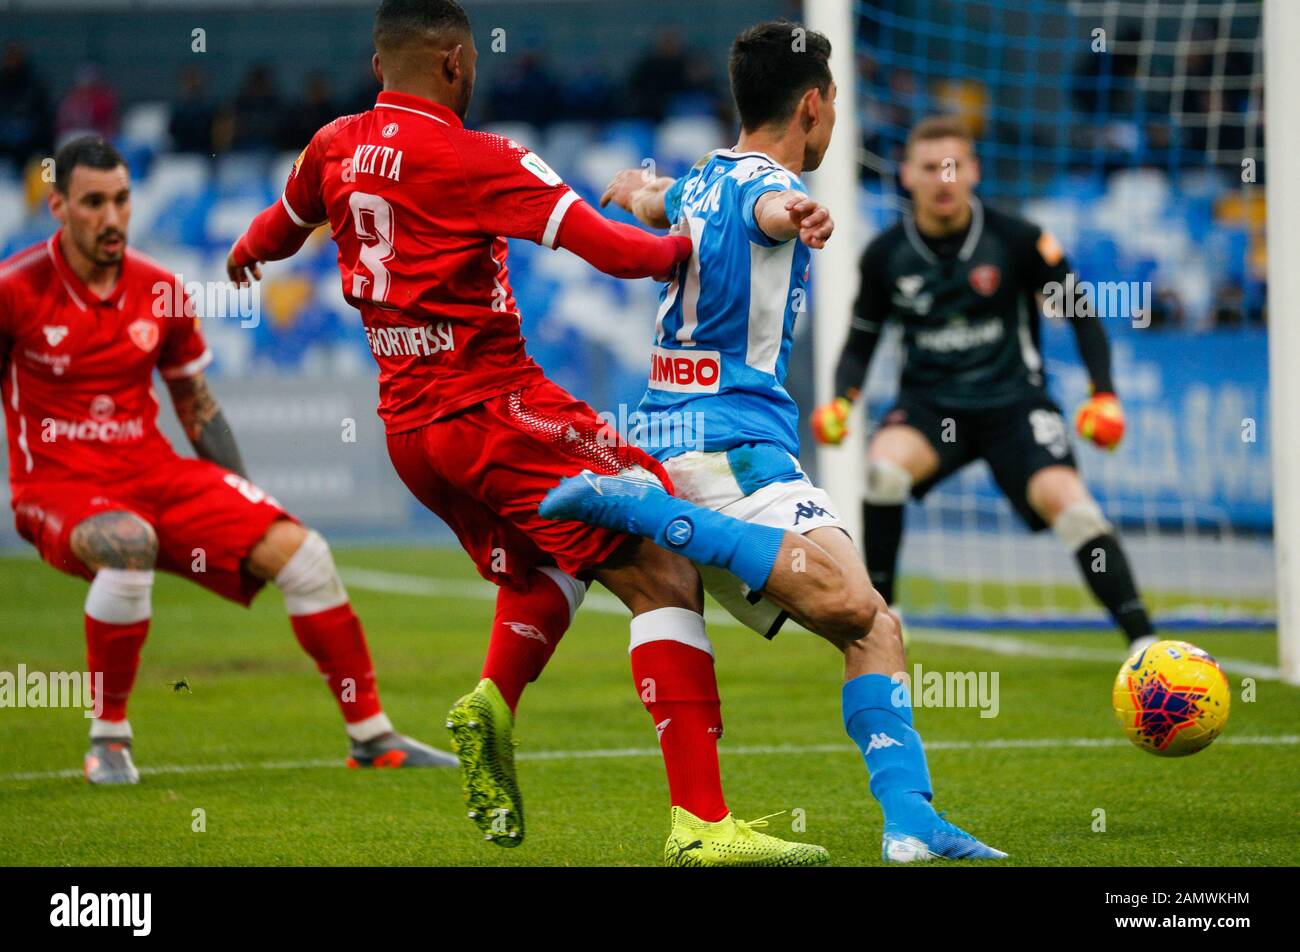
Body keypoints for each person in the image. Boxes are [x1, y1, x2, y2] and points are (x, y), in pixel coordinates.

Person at [226, 0, 825, 866]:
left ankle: (493, 702)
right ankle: (702, 825)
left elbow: (280, 228)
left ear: (375, 65)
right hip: (495, 410)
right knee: (661, 555)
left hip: (410, 435)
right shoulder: (479, 158)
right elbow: (619, 251)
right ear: (458, 64)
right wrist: (696, 239)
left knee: (553, 562)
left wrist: (245, 251)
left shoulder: (332, 145)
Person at [545, 22, 1004, 862]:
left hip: (664, 433)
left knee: (876, 629)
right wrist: (798, 210)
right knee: (855, 608)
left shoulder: (697, 180)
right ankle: (666, 522)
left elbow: (659, 204)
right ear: (814, 104)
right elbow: (771, 209)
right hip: (732, 449)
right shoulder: (767, 189)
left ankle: (910, 824)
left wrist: (630, 185)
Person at [0, 136, 449, 785]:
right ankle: (110, 739)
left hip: (150, 471)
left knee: (304, 555)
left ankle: (372, 736)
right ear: (60, 208)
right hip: (56, 486)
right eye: (93, 202)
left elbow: (197, 406)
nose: (111, 217)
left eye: (121, 200)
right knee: (130, 544)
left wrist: (241, 503)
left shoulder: (159, 289)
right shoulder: (15, 291)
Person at [809, 115, 1158, 654]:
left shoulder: (1017, 239)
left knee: (1074, 508)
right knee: (882, 472)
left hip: (1014, 405)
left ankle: (1144, 643)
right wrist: (841, 400)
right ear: (907, 175)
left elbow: (1083, 316)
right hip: (929, 408)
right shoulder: (884, 256)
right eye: (930, 168)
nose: (943, 179)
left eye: (954, 167)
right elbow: (861, 343)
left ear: (973, 172)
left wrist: (1104, 393)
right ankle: (884, 617)